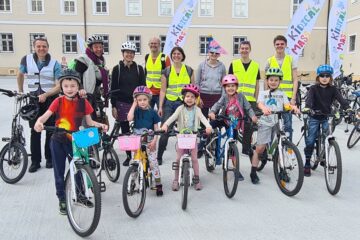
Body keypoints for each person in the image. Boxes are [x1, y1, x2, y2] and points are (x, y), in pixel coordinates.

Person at [33, 69, 108, 215]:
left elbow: (90, 121)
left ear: (78, 86)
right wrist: (39, 122)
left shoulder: (83, 102)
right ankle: (62, 199)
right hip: (58, 141)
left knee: (80, 168)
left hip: (76, 140)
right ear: (61, 87)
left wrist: (101, 125)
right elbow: (45, 116)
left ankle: (80, 196)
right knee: (59, 172)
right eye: (66, 86)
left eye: (72, 86)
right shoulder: (58, 101)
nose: (69, 89)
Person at [17, 36, 62, 173]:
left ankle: (49, 158)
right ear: (34, 47)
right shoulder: (26, 59)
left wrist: (46, 95)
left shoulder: (55, 63)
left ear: (48, 47)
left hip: (50, 99)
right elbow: (20, 74)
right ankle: (35, 161)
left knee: (49, 130)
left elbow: (59, 85)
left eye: (44, 46)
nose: (41, 48)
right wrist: (20, 91)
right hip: (33, 100)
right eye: (39, 46)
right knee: (34, 131)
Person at [250, 68, 299, 184]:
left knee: (280, 146)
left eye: (276, 80)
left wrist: (293, 108)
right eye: (271, 80)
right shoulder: (263, 93)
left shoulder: (282, 94)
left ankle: (282, 170)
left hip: (277, 122)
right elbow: (260, 103)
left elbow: (286, 105)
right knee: (260, 148)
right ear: (267, 81)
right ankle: (253, 171)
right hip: (266, 122)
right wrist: (264, 108)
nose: (273, 82)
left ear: (279, 82)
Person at [161, 84, 212, 191]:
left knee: (194, 158)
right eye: (187, 96)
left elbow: (203, 119)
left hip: (193, 136)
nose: (189, 99)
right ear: (183, 98)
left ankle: (196, 178)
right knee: (178, 158)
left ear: (196, 99)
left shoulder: (197, 110)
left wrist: (208, 126)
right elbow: (172, 117)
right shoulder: (180, 108)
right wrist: (165, 125)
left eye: (192, 97)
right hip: (181, 136)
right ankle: (176, 179)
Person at [303, 65, 350, 177]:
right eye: (322, 76)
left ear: (330, 78)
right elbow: (309, 99)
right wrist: (307, 107)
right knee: (310, 140)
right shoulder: (314, 88)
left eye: (327, 76)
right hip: (314, 116)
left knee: (327, 137)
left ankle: (324, 156)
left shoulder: (333, 89)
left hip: (326, 117)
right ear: (318, 77)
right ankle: (308, 162)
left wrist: (347, 107)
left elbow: (341, 100)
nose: (324, 78)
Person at [208, 74, 257, 181]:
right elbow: (218, 104)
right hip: (224, 119)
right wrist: (212, 112)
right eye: (228, 86)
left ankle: (235, 169)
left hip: (234, 123)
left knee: (232, 146)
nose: (230, 88)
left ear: (236, 87)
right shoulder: (224, 97)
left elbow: (248, 107)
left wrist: (253, 116)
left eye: (232, 86)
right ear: (224, 88)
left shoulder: (241, 96)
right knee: (210, 126)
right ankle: (205, 141)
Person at [157, 46, 195, 165]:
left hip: (185, 104)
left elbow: (193, 89)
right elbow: (163, 90)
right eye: (174, 54)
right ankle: (159, 155)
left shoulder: (189, 70)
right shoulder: (166, 71)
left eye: (179, 54)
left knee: (186, 130)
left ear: (182, 56)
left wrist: (196, 103)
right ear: (171, 56)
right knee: (165, 130)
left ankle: (186, 155)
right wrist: (160, 106)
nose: (176, 56)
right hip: (169, 103)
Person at [110, 41, 146, 166]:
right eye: (127, 53)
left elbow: (143, 87)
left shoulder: (139, 68)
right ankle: (128, 155)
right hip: (121, 103)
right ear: (123, 53)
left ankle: (139, 153)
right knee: (125, 131)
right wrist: (113, 106)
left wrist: (143, 103)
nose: (129, 55)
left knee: (139, 128)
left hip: (136, 103)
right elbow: (113, 89)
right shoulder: (117, 69)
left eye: (131, 53)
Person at [127, 85, 163, 196]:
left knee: (153, 163)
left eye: (144, 100)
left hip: (150, 140)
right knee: (134, 162)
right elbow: (129, 118)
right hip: (137, 141)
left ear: (149, 100)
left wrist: (154, 141)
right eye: (139, 100)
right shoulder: (136, 111)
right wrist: (134, 104)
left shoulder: (153, 113)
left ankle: (158, 184)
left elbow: (156, 129)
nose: (142, 102)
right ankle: (132, 182)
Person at [229, 40, 261, 155]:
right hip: (235, 101)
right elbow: (229, 83)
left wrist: (256, 100)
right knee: (233, 124)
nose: (244, 50)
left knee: (248, 126)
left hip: (250, 101)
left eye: (246, 48)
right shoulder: (234, 64)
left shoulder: (255, 65)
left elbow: (257, 84)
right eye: (242, 48)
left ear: (250, 50)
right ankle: (232, 147)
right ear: (239, 50)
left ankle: (246, 148)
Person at [265, 35, 298, 141]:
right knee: (271, 124)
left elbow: (295, 80)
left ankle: (289, 149)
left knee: (288, 124)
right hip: (273, 98)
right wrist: (266, 97)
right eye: (277, 44)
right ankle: (274, 149)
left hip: (287, 99)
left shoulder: (290, 60)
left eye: (282, 44)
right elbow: (266, 80)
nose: (279, 46)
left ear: (286, 45)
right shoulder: (269, 61)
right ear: (274, 45)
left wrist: (293, 98)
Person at [195, 45, 226, 158]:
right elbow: (197, 83)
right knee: (203, 122)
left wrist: (223, 98)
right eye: (212, 53)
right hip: (204, 96)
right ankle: (201, 146)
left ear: (219, 54)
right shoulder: (202, 65)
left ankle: (213, 144)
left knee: (214, 122)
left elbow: (224, 84)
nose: (213, 55)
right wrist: (198, 97)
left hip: (217, 96)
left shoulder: (222, 66)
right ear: (208, 53)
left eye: (216, 53)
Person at [71, 35, 109, 121]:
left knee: (98, 120)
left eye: (100, 47)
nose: (99, 49)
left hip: (96, 96)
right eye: (96, 47)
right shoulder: (84, 60)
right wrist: (80, 89)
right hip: (85, 96)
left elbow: (97, 78)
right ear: (90, 48)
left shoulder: (101, 60)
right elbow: (76, 76)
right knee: (87, 122)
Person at [144, 37, 171, 109]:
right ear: (149, 45)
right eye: (151, 43)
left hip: (161, 93)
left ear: (159, 45)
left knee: (162, 115)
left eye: (155, 43)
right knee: (148, 115)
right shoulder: (147, 57)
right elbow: (146, 74)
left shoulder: (165, 58)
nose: (153, 45)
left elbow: (169, 76)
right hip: (148, 93)